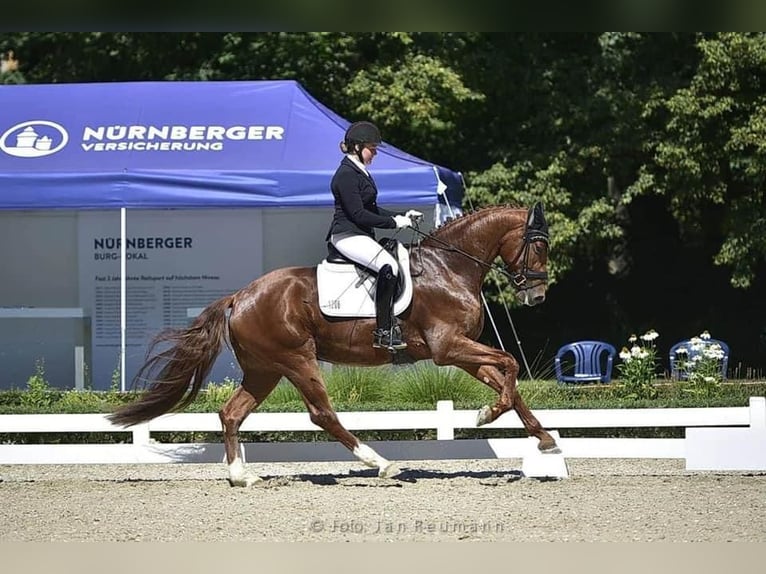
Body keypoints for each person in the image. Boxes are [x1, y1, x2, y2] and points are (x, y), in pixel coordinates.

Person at [325, 120, 422, 351]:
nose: (375, 153)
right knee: (388, 266)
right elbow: (359, 214)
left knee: (395, 259)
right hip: (347, 235)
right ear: (357, 147)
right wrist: (393, 222)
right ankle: (384, 330)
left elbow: (372, 208)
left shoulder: (360, 172)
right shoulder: (346, 175)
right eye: (372, 148)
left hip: (360, 234)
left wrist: (402, 215)